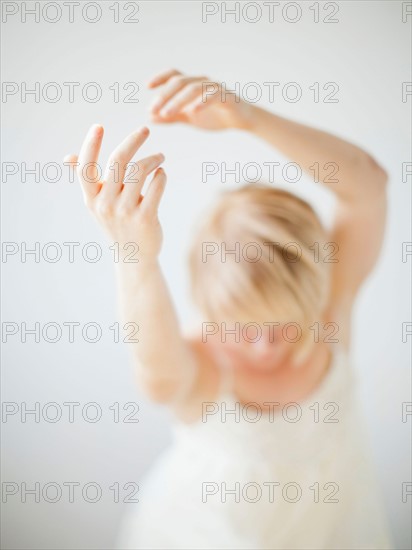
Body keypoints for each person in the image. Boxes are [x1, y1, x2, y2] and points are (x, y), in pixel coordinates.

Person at [66, 69, 392, 549]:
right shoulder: (200, 371)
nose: (264, 346)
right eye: (243, 327)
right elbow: (152, 367)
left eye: (284, 325)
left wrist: (253, 119)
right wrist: (133, 254)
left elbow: (367, 187)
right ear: (211, 308)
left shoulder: (329, 317)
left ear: (313, 295)